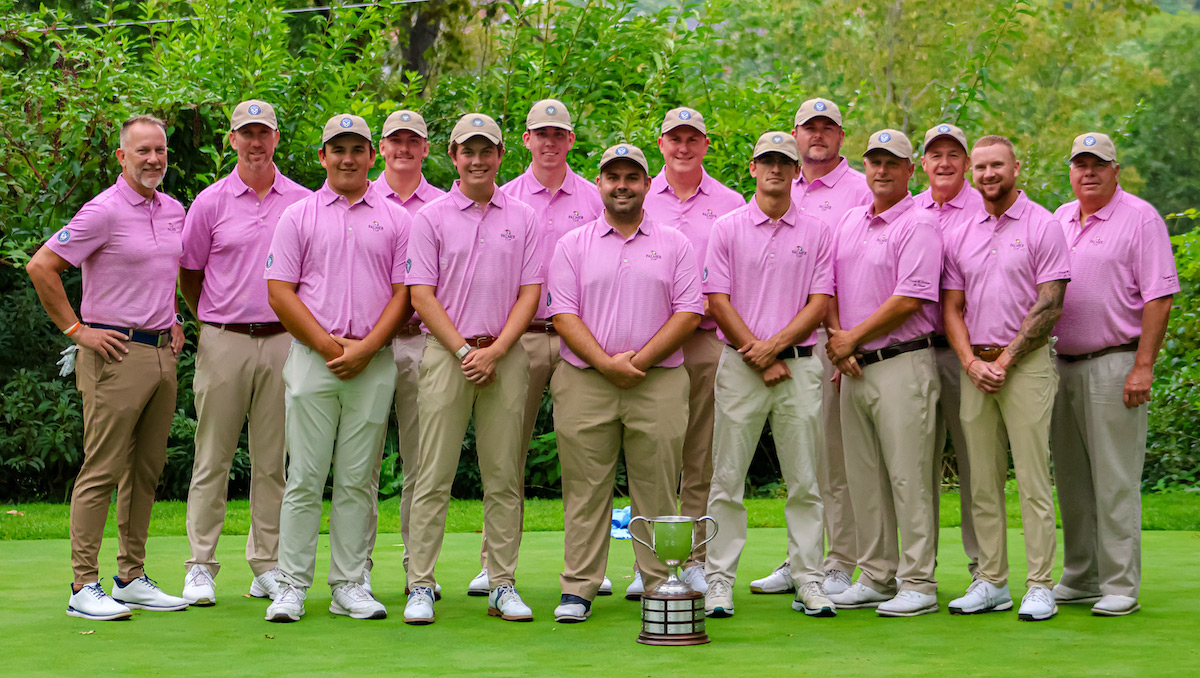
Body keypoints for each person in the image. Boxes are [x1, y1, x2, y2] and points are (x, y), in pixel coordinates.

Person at [27, 114, 189, 620]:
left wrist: (175, 317)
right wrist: (78, 331)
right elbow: (41, 266)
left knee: (146, 471)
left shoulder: (173, 209)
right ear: (122, 157)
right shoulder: (103, 211)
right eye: (142, 151)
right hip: (114, 355)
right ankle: (83, 585)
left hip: (162, 354)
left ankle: (131, 578)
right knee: (102, 470)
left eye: (159, 150)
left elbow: (163, 272)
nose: (153, 159)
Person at [263, 114, 412, 623]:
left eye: (357, 149)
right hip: (313, 360)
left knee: (356, 480)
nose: (348, 159)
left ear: (372, 155)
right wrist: (330, 346)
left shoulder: (396, 219)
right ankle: (290, 584)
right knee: (304, 477)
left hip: (373, 362)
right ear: (322, 156)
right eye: (338, 149)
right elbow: (279, 292)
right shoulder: (298, 216)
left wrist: (367, 348)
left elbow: (404, 294)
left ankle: (348, 583)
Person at [547, 143, 702, 623]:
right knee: (585, 490)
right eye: (613, 177)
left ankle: (659, 583)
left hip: (658, 380)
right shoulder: (573, 244)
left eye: (631, 177)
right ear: (599, 183)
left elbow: (689, 311)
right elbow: (563, 314)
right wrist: (606, 364)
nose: (622, 186)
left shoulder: (675, 243)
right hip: (584, 380)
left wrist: (637, 362)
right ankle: (579, 588)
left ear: (647, 185)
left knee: (657, 490)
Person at [403, 113, 542, 625]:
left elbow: (531, 292)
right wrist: (465, 352)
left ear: (501, 155)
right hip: (447, 356)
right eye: (468, 151)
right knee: (432, 475)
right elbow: (422, 295)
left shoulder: (524, 217)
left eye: (487, 151)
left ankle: (502, 582)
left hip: (505, 355)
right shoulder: (431, 218)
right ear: (453, 156)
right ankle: (421, 583)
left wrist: (496, 350)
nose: (477, 160)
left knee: (503, 476)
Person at [471, 99, 605, 597]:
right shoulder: (502, 196)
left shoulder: (594, 198)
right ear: (525, 140)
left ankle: (587, 566)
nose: (550, 142)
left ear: (571, 140)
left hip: (578, 340)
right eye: (540, 133)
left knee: (585, 455)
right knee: (505, 454)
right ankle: (493, 564)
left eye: (558, 134)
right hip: (518, 338)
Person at [179, 99, 311, 606]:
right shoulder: (209, 202)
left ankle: (267, 565)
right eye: (246, 133)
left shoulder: (301, 202)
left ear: (276, 138)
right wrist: (212, 322)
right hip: (224, 339)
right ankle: (200, 565)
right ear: (231, 139)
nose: (255, 142)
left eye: (264, 133)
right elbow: (190, 275)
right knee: (212, 456)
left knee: (272, 462)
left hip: (284, 341)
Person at [702, 132, 835, 619]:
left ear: (797, 171)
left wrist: (773, 348)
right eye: (767, 161)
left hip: (799, 366)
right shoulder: (727, 228)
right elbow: (717, 300)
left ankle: (808, 578)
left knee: (805, 482)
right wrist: (758, 354)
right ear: (753, 168)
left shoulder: (818, 231)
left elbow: (819, 303)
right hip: (740, 366)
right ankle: (718, 581)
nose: (775, 168)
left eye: (784, 161)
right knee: (727, 479)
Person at [942, 134, 1070, 622]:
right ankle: (992, 581)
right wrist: (971, 362)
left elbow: (1050, 304)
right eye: (980, 167)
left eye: (997, 165)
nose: (988, 174)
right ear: (971, 173)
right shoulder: (962, 231)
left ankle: (1040, 585)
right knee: (982, 481)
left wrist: (1006, 360)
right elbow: (952, 307)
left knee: (1033, 480)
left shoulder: (1043, 224)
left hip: (1026, 366)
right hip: (975, 368)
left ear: (1016, 168)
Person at [1050, 132, 1178, 617]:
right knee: (1072, 479)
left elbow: (1159, 297)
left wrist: (1143, 366)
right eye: (1080, 164)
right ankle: (1082, 575)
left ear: (1115, 170)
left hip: (1114, 362)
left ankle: (1120, 584)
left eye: (1098, 164)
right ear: (1071, 171)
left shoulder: (1140, 218)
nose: (1089, 172)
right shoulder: (1060, 218)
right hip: (1061, 365)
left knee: (1115, 478)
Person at [750, 97, 872, 598]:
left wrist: (845, 342)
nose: (817, 135)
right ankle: (802, 558)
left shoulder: (862, 189)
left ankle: (840, 561)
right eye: (809, 127)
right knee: (801, 459)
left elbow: (857, 272)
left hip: (836, 341)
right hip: (782, 345)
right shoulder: (780, 184)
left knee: (834, 461)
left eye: (827, 127)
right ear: (796, 135)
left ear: (841, 136)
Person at [825, 129, 942, 617]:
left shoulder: (920, 224)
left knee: (909, 478)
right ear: (866, 166)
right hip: (854, 368)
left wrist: (850, 339)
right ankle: (876, 575)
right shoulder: (849, 221)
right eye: (875, 161)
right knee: (864, 479)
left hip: (902, 362)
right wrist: (840, 343)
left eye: (893, 162)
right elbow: (828, 287)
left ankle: (919, 582)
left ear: (910, 170)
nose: (882, 170)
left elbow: (910, 297)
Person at [634, 105, 744, 599]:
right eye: (674, 139)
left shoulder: (730, 202)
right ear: (661, 144)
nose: (683, 147)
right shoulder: (639, 194)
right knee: (653, 453)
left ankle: (694, 557)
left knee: (700, 453)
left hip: (705, 339)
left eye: (692, 139)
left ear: (705, 145)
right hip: (648, 342)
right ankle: (651, 560)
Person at [365, 109, 446, 599]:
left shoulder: (444, 205)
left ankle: (419, 571)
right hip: (371, 345)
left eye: (413, 140)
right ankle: (358, 569)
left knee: (421, 463)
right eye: (395, 140)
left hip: (423, 343)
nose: (403, 148)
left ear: (425, 148)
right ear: (381, 147)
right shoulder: (358, 196)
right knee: (363, 463)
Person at [914, 123, 985, 579]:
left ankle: (984, 567)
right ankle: (919, 571)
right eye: (935, 155)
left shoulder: (984, 210)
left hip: (967, 355)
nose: (944, 163)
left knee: (976, 461)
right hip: (915, 352)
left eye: (953, 155)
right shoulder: (907, 210)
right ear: (922, 163)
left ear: (967, 163)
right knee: (916, 465)